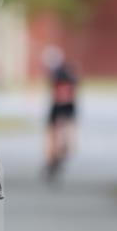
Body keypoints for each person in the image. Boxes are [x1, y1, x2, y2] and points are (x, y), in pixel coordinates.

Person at [43, 46, 79, 181]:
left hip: (63, 108)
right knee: (58, 136)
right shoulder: (66, 75)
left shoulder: (59, 75)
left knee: (59, 136)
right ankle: (56, 157)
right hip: (63, 108)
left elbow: (63, 96)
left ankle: (57, 156)